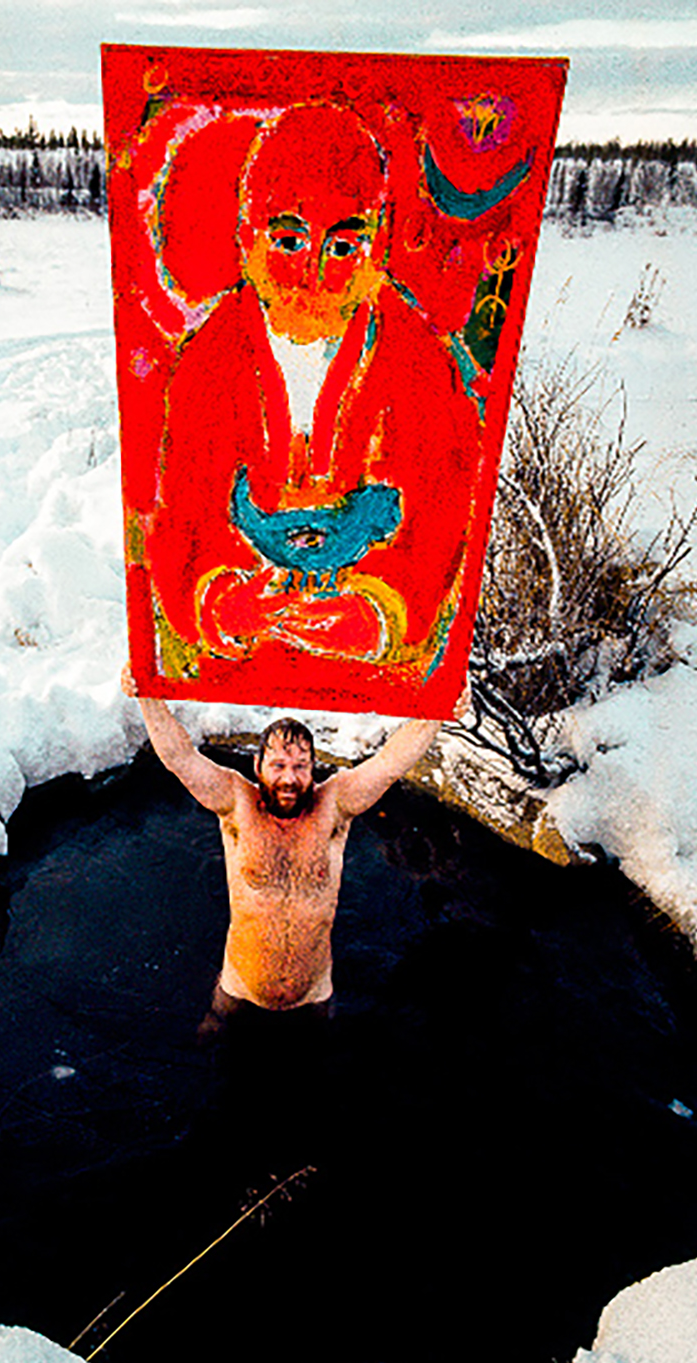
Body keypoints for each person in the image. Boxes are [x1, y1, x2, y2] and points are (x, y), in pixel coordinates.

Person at [146, 102, 483, 692]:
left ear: (377, 246)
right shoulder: (212, 358)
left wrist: (382, 612)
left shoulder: (416, 356)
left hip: (370, 657)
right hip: (241, 652)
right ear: (248, 237)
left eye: (343, 248)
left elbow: (444, 508)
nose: (314, 274)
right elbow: (181, 512)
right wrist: (221, 604)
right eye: (288, 241)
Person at [122, 665, 470, 1015]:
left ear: (313, 768)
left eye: (300, 766)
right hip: (238, 987)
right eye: (278, 766)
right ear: (257, 766)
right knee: (211, 1036)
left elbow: (390, 763)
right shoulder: (236, 803)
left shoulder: (334, 806)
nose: (289, 778)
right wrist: (147, 698)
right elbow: (180, 757)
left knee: (328, 1047)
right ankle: (214, 1021)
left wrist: (437, 713)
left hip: (314, 993)